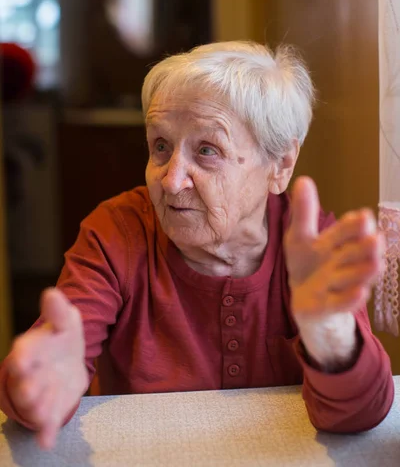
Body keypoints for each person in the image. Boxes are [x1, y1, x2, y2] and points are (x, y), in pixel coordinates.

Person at [0, 41, 394, 449]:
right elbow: (43, 375)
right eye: (161, 147)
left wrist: (331, 336)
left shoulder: (309, 248)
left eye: (207, 151)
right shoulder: (118, 232)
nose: (171, 181)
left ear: (281, 165)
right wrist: (38, 382)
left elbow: (359, 416)